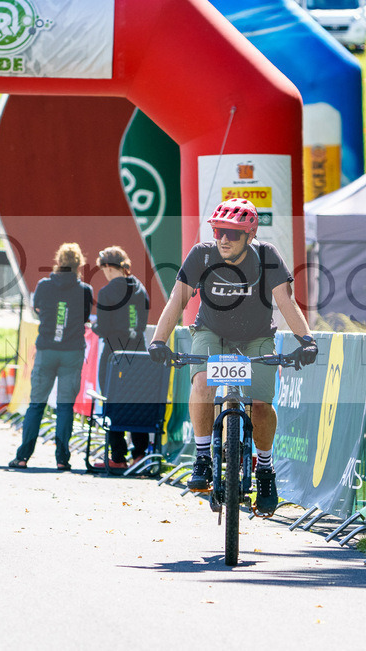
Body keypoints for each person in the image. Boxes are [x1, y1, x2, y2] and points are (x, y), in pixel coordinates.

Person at [147, 198, 319, 516]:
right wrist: (158, 341)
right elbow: (177, 298)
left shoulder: (267, 257)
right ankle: (201, 457)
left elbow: (286, 301)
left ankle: (265, 471)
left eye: (233, 233)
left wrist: (306, 341)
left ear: (250, 235)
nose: (223, 239)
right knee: (201, 383)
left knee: (262, 404)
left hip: (257, 337)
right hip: (212, 334)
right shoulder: (202, 254)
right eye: (219, 231)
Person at [8, 243, 93, 471]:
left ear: (58, 261)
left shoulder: (44, 285)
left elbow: (36, 308)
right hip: (72, 352)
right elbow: (85, 316)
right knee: (65, 407)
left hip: (47, 349)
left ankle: (23, 456)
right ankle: (62, 459)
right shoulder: (85, 290)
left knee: (36, 404)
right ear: (78, 265)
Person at [91, 246, 150, 470]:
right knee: (138, 401)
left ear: (107, 267)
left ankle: (118, 456)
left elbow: (105, 327)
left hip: (114, 355)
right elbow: (139, 323)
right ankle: (140, 454)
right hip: (139, 354)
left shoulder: (107, 292)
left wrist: (94, 327)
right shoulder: (141, 289)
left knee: (112, 401)